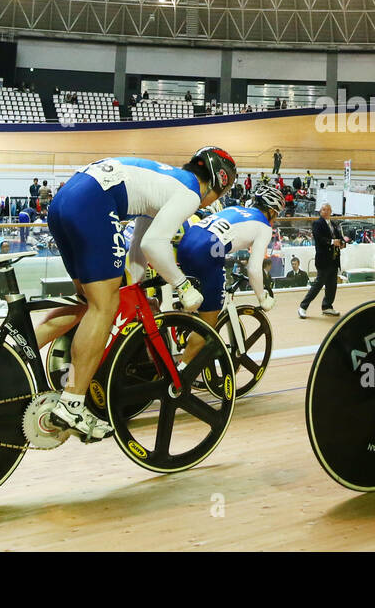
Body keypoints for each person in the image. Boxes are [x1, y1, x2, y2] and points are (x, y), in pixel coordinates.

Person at [32, 149, 237, 441]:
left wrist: (137, 285)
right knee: (105, 305)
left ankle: (22, 349)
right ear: (219, 183)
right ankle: (72, 404)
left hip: (67, 198)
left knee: (90, 303)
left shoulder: (166, 182)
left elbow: (140, 242)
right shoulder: (190, 193)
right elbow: (155, 243)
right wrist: (183, 286)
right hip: (93, 201)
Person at [151, 183, 280, 365]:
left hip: (188, 243)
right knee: (208, 325)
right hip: (208, 252)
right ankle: (180, 375)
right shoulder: (265, 227)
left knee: (198, 299)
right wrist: (262, 298)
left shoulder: (236, 208)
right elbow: (254, 268)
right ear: (272, 211)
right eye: (277, 215)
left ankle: (185, 330)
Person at [298, 203, 343, 318]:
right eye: (323, 209)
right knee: (318, 284)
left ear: (331, 211)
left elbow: (340, 237)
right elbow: (319, 238)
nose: (326, 211)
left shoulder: (334, 224)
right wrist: (332, 242)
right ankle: (303, 306)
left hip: (334, 259)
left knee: (332, 285)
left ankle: (327, 306)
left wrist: (342, 243)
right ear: (320, 211)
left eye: (328, 209)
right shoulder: (317, 224)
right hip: (323, 259)